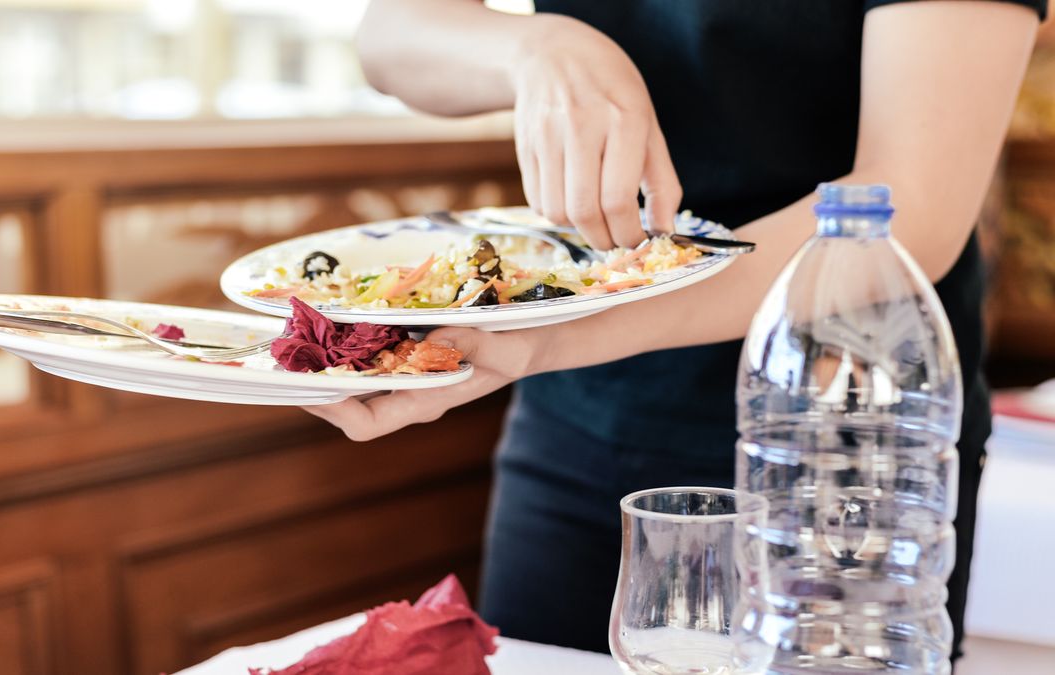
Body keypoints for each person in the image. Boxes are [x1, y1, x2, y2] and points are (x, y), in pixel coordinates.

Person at [308, 0, 1045, 662]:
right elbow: (390, 37)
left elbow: (905, 207)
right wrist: (537, 46)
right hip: (577, 430)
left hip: (839, 444)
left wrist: (545, 340)